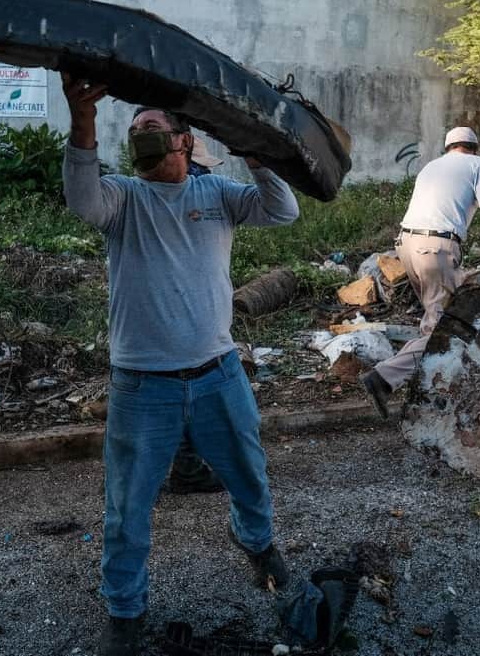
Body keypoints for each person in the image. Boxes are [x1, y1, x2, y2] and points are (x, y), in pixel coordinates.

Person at [60, 75, 298, 656]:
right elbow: (81, 199)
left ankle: (259, 545)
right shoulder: (123, 197)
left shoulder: (215, 192)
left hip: (219, 373)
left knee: (248, 477)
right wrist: (84, 121)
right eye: (135, 131)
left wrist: (252, 147)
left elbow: (283, 210)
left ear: (184, 142)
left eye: (152, 129)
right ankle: (124, 610)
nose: (141, 138)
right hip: (143, 387)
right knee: (127, 508)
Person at [359, 126, 480, 417]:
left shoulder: (430, 167)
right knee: (446, 327)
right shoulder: (478, 164)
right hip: (437, 247)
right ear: (474, 147)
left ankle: (429, 392)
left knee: (433, 321)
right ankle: (383, 378)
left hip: (407, 244)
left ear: (448, 147)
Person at [165, 132, 227, 494]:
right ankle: (187, 468)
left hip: (172, 316)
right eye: (201, 169)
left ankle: (181, 466)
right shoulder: (185, 202)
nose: (207, 177)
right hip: (184, 318)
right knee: (187, 396)